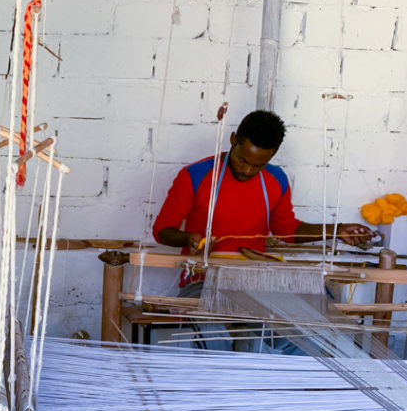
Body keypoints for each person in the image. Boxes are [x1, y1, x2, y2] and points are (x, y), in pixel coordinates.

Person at [152, 109, 374, 287]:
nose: (247, 171)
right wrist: (189, 238)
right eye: (242, 160)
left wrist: (338, 230)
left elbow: (286, 231)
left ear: (274, 153)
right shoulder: (195, 175)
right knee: (216, 333)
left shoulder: (276, 179)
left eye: (258, 165)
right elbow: (161, 231)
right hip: (202, 280)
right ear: (233, 140)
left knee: (295, 329)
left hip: (255, 280)